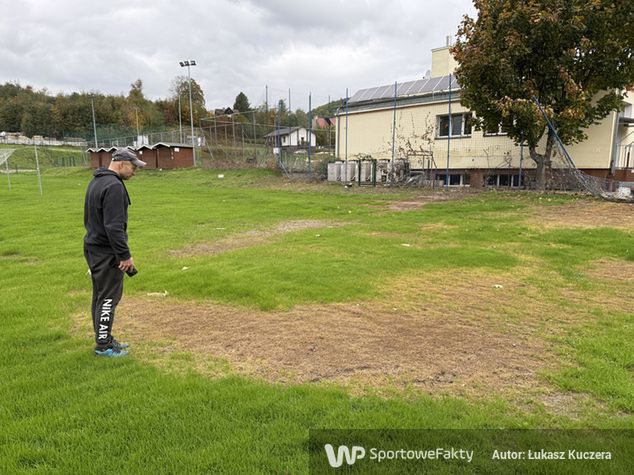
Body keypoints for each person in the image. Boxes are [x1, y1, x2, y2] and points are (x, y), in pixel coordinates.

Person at [83, 148, 146, 357]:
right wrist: (124, 256)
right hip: (106, 252)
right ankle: (103, 346)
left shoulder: (97, 181)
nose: (135, 171)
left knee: (100, 296)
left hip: (93, 248)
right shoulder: (114, 186)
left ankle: (105, 339)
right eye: (133, 166)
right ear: (121, 163)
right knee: (108, 298)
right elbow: (113, 227)